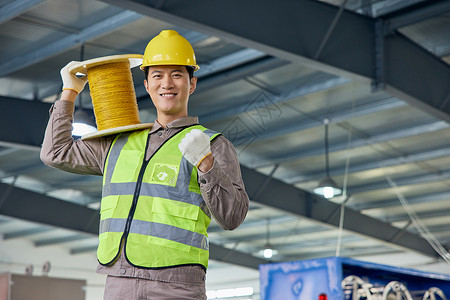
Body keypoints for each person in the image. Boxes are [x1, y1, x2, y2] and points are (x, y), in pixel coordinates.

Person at [40, 30, 249, 300]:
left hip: (177, 283)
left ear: (192, 84)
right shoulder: (119, 141)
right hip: (119, 278)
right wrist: (69, 93)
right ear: (147, 84)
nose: (167, 84)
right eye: (158, 75)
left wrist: (207, 164)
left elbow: (232, 217)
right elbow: (55, 152)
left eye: (177, 74)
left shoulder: (213, 145)